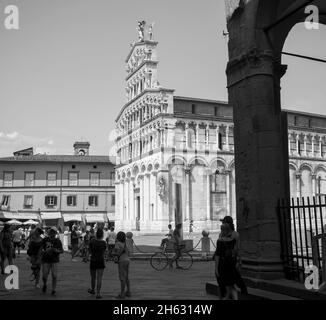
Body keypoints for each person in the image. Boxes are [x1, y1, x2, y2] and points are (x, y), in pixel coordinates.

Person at [219, 216, 248, 296]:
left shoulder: (234, 234)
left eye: (224, 222)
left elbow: (237, 248)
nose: (222, 224)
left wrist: (238, 259)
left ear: (227, 224)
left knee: (235, 277)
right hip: (224, 260)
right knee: (229, 277)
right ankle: (227, 293)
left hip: (231, 259)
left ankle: (243, 292)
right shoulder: (222, 233)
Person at [214, 223, 238, 300]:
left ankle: (223, 298)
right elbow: (235, 252)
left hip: (222, 264)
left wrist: (216, 268)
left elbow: (217, 255)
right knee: (231, 284)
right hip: (231, 264)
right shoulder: (233, 240)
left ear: (223, 231)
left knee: (221, 284)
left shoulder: (219, 241)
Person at [41, 227, 63, 296]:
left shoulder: (58, 241)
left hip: (54, 260)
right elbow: (41, 248)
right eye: (51, 231)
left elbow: (61, 251)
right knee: (44, 276)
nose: (52, 233)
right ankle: (45, 284)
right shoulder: (45, 240)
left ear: (55, 233)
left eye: (53, 232)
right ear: (49, 232)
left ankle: (53, 290)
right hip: (46, 260)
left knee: (54, 276)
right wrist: (43, 252)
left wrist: (56, 251)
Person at [88, 228, 107, 299]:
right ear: (102, 235)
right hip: (100, 260)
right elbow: (104, 252)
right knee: (99, 278)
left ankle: (93, 290)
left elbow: (89, 251)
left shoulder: (92, 241)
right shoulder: (103, 243)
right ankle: (98, 293)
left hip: (93, 260)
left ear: (96, 234)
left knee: (93, 277)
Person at [113, 231, 131, 299]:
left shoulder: (117, 243)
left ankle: (122, 294)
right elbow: (128, 253)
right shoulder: (125, 243)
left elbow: (117, 253)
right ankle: (128, 291)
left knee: (122, 278)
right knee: (126, 276)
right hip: (127, 260)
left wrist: (113, 254)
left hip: (122, 261)